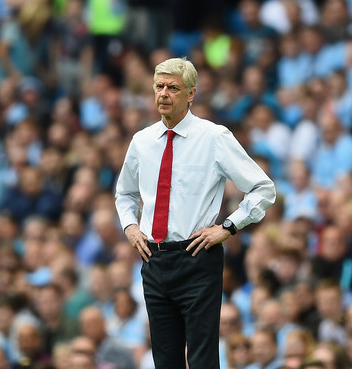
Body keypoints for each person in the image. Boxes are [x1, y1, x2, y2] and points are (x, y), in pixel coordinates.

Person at [115, 57, 276, 369]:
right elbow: (125, 193)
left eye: (172, 88)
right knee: (165, 360)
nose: (163, 93)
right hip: (154, 258)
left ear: (191, 94)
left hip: (197, 255)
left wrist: (228, 226)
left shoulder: (214, 137)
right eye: (159, 87)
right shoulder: (142, 141)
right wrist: (130, 227)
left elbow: (263, 188)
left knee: (202, 360)